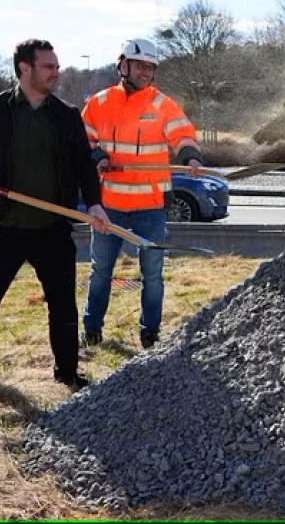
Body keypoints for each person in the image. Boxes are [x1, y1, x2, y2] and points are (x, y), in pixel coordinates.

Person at [0, 38, 109, 392]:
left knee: (63, 305)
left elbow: (84, 164)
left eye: (56, 66)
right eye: (48, 66)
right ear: (24, 68)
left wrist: (94, 203)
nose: (56, 72)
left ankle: (67, 374)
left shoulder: (65, 116)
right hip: (3, 227)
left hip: (52, 229)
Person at [80, 38, 204, 350]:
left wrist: (190, 157)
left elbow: (182, 133)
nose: (146, 72)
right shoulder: (99, 102)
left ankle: (150, 335)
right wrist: (97, 158)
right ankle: (91, 331)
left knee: (153, 275)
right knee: (100, 272)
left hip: (150, 207)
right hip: (109, 206)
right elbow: (83, 140)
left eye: (150, 67)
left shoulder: (162, 104)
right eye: (140, 66)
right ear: (123, 65)